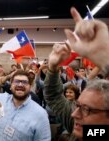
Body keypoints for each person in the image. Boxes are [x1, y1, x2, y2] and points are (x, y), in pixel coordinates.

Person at [44, 7, 109, 141]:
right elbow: (53, 96)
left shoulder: (93, 132)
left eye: (87, 109)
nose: (74, 114)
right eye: (78, 105)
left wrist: (105, 60)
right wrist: (52, 67)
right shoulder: (79, 127)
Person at [0, 69, 51, 141]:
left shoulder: (40, 114)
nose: (20, 84)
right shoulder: (1, 100)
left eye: (24, 82)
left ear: (30, 87)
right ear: (10, 86)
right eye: (16, 81)